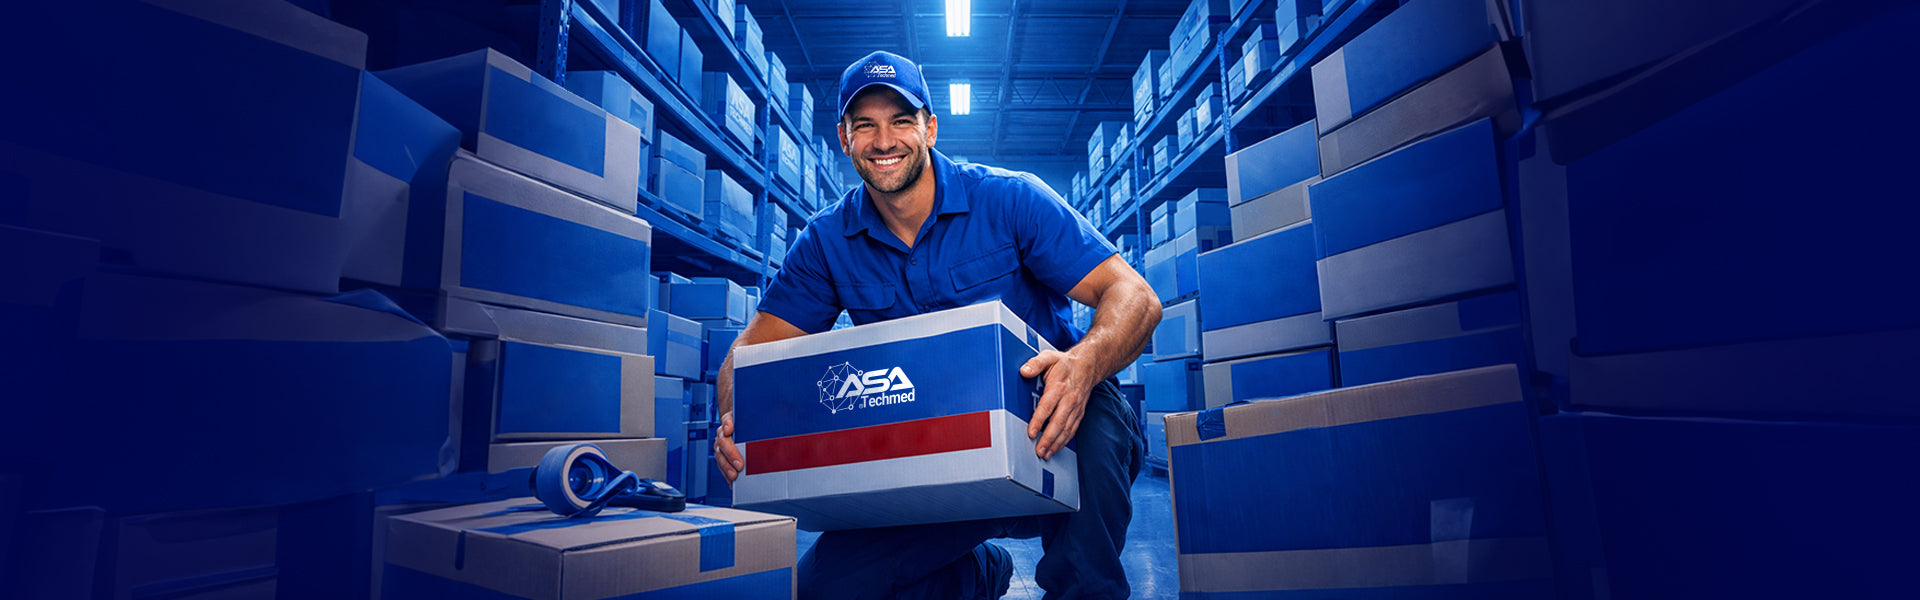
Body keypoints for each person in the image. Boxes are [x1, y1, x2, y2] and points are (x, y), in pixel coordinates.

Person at [712, 50, 1159, 600]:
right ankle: (978, 573)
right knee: (827, 589)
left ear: (930, 127)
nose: (884, 141)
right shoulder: (827, 241)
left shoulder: (1010, 198)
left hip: (1054, 425)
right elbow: (750, 353)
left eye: (901, 120)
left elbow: (1134, 296)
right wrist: (735, 419)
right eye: (865, 125)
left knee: (1091, 429)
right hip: (929, 449)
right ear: (844, 137)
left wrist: (1083, 365)